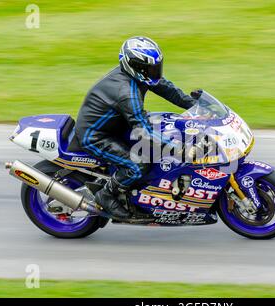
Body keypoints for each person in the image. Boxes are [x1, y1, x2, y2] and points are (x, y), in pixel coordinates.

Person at [75, 36, 196, 219]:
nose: (155, 72)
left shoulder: (141, 77)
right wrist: (178, 149)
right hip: (96, 136)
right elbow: (143, 133)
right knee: (139, 164)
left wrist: (197, 104)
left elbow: (170, 91)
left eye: (157, 67)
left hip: (118, 126)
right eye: (151, 68)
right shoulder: (126, 92)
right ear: (136, 67)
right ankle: (106, 195)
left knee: (165, 125)